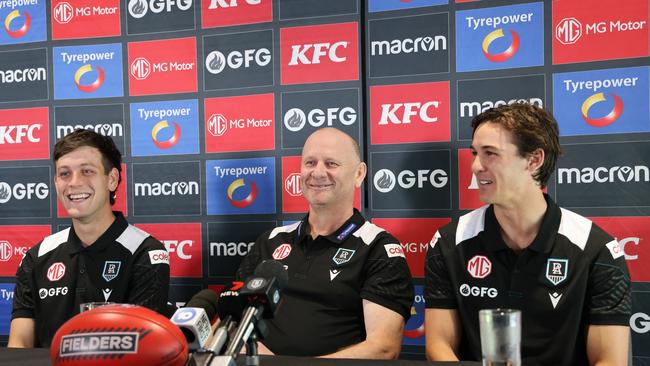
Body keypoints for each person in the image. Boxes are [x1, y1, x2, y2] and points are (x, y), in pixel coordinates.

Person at [424, 103, 631, 365]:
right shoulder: (449, 242)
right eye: (475, 153)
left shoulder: (597, 250)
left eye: (491, 153)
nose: (476, 166)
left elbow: (610, 360)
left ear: (534, 160)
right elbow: (438, 347)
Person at [237, 127, 414, 359]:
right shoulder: (270, 241)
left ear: (359, 174)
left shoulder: (378, 249)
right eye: (310, 163)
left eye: (331, 164)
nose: (318, 173)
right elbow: (233, 322)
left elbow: (382, 348)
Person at [8, 129, 170, 348]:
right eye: (64, 174)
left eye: (87, 171)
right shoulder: (37, 257)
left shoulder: (145, 253)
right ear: (56, 182)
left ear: (112, 179)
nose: (74, 183)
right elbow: (19, 346)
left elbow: (141, 349)